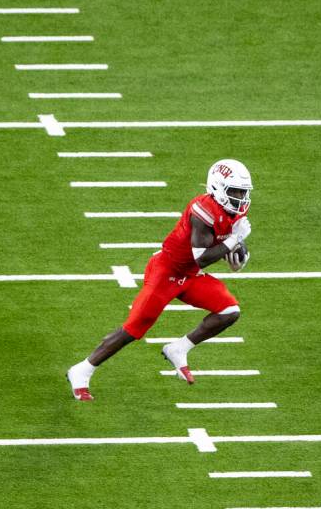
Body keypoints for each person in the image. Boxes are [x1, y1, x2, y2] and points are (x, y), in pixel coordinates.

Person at [66, 159, 253, 401]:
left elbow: (227, 239)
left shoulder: (232, 209)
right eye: (235, 191)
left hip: (189, 276)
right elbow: (202, 258)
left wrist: (237, 254)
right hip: (166, 272)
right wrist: (232, 241)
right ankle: (82, 370)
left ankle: (179, 349)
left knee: (229, 311)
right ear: (217, 188)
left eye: (243, 191)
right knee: (133, 329)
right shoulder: (202, 212)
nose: (240, 197)